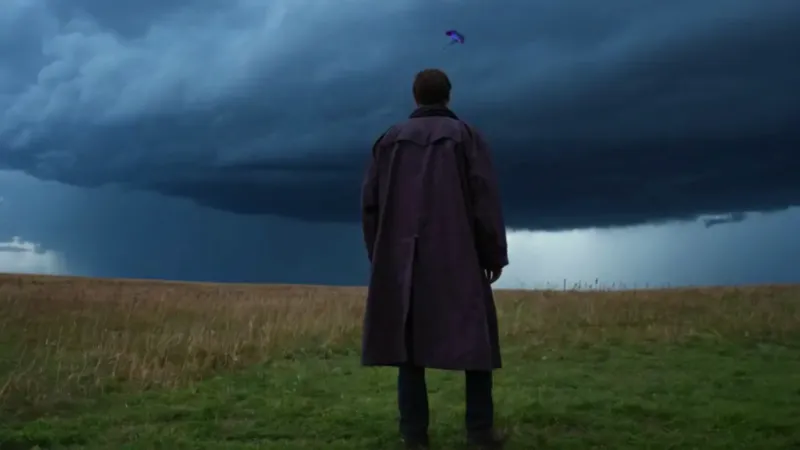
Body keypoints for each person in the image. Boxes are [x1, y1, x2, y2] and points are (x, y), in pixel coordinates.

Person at [360, 68, 509, 449]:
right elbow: (484, 199)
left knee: (408, 347)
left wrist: (381, 257)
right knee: (476, 341)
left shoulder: (388, 141)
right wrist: (493, 254)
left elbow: (370, 205)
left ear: (415, 97)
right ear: (448, 96)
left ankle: (414, 435)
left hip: (401, 259)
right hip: (459, 255)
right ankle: (479, 431)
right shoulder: (466, 137)